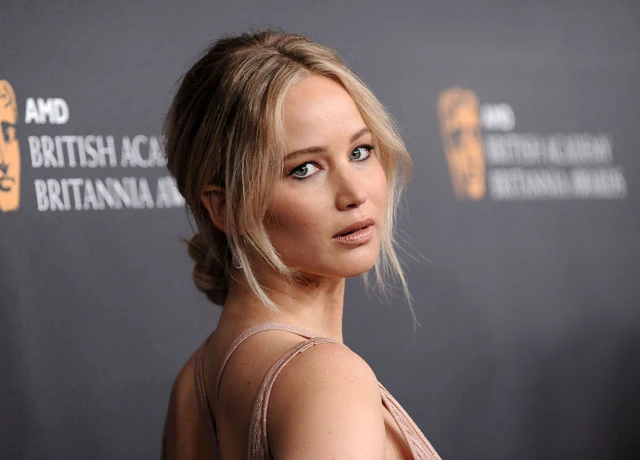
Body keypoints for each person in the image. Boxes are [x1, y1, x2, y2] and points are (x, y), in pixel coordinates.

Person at [161, 29, 441, 459]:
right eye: (305, 169)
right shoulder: (327, 379)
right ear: (226, 207)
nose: (354, 193)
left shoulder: (192, 385)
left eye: (360, 152)